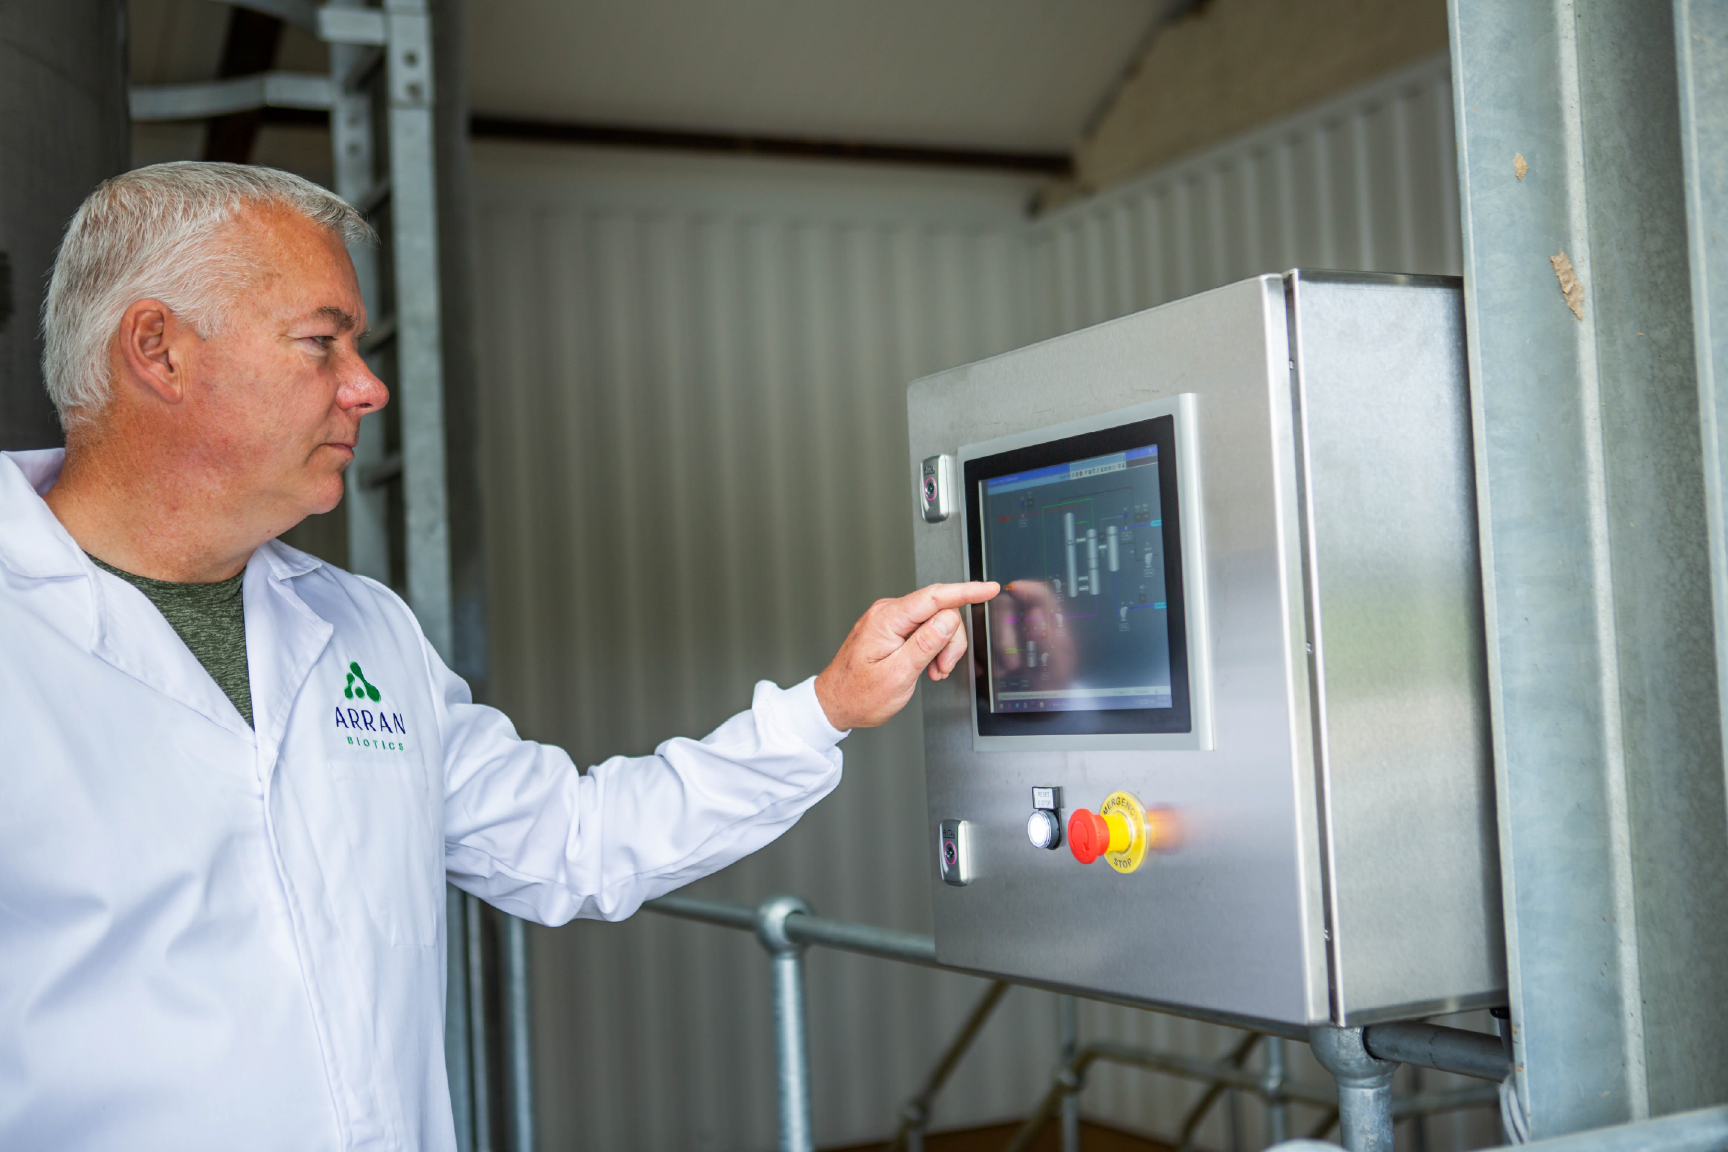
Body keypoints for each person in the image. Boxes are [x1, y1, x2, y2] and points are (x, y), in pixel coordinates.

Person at [0, 162, 997, 1150]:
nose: (370, 385)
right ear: (160, 352)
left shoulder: (362, 629)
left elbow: (574, 842)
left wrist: (823, 708)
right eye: (322, 344)